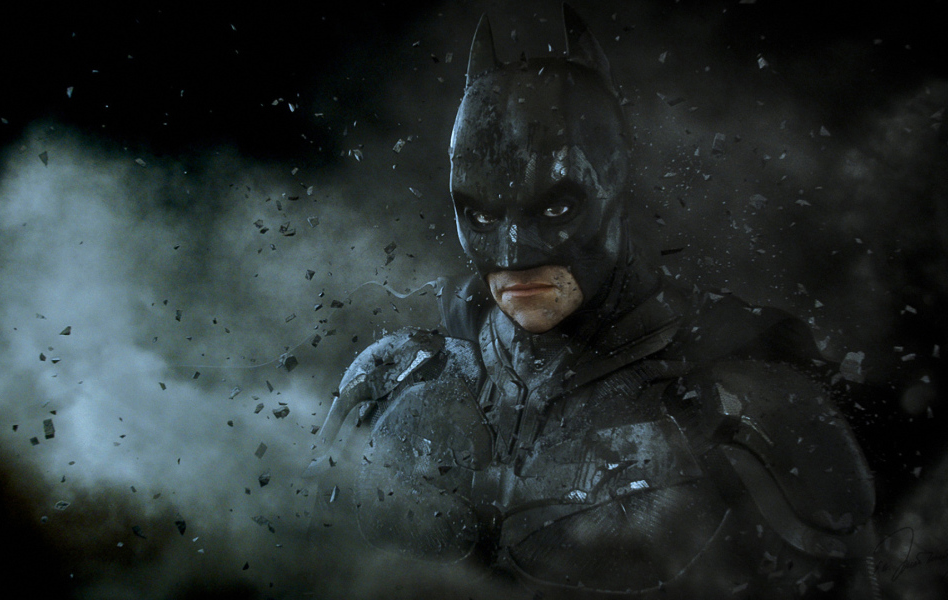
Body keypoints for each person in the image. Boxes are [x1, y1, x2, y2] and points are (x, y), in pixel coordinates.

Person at [308, 5, 880, 598]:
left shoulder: (748, 407)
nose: (512, 252)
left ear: (615, 184)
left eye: (555, 208)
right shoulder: (398, 377)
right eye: (480, 215)